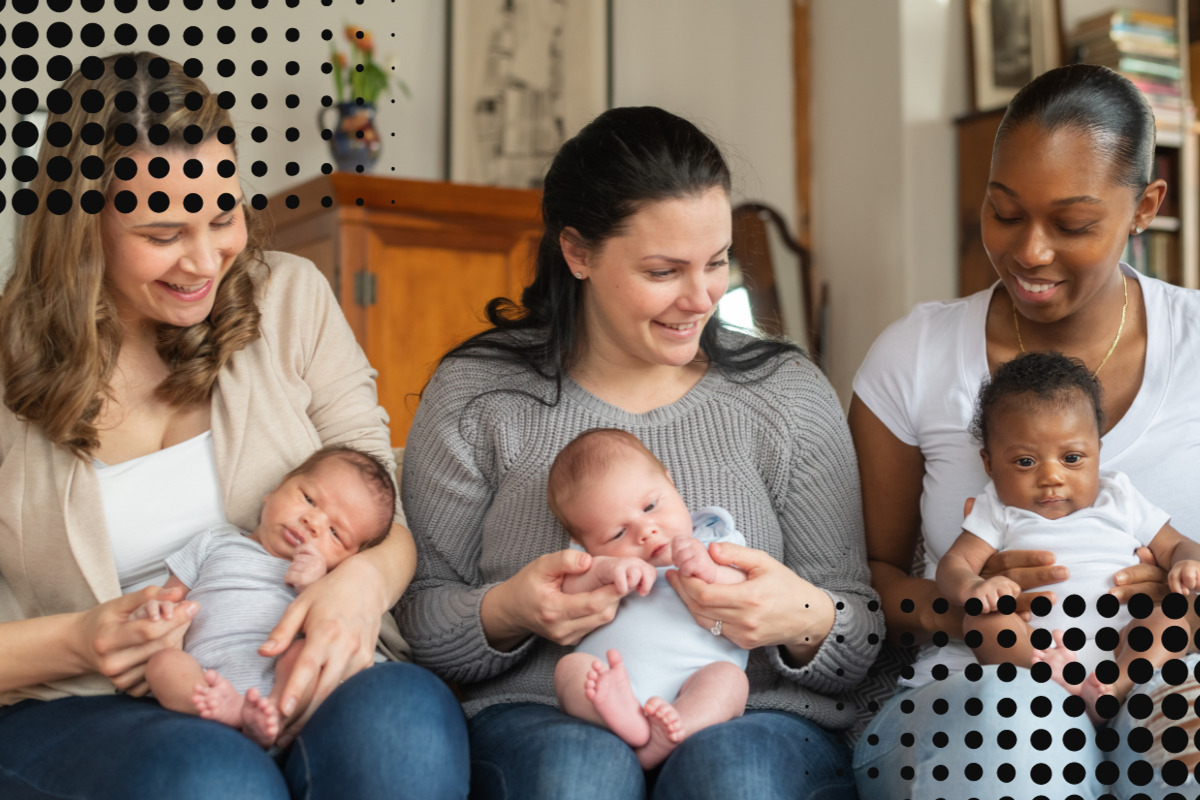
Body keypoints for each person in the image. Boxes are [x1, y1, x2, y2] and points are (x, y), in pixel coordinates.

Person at [0, 52, 468, 799]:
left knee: (403, 730)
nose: (205, 260)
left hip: (293, 657)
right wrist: (77, 639)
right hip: (83, 707)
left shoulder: (290, 300)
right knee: (214, 777)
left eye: (223, 216)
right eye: (162, 233)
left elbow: (389, 511)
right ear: (81, 224)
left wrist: (362, 587)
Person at [398, 105, 882, 799]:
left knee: (732, 778)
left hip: (758, 719)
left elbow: (862, 637)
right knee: (580, 774)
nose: (701, 298)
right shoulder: (480, 394)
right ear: (578, 253)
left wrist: (800, 617)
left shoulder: (785, 392)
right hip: (546, 716)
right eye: (663, 270)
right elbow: (418, 619)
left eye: (717, 263)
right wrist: (511, 610)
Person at [850, 63, 1200, 800]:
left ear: (1146, 206)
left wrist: (1184, 597)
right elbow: (864, 579)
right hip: (981, 699)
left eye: (1072, 225)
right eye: (1004, 212)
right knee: (1015, 714)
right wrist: (975, 610)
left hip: (1165, 681)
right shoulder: (913, 357)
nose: (1029, 252)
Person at [934, 352, 1200, 724]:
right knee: (982, 622)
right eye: (1026, 462)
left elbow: (1176, 544)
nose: (1051, 477)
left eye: (1072, 458)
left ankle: (1114, 689)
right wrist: (972, 587)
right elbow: (955, 564)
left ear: (1098, 452)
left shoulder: (1118, 497)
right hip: (1039, 650)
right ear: (990, 464)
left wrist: (1188, 562)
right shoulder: (997, 509)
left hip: (1123, 642)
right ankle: (1046, 681)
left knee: (1170, 622)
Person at [134, 445, 397, 747]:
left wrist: (313, 586)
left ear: (349, 558)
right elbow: (170, 594)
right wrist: (156, 609)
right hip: (204, 675)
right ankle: (217, 710)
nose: (314, 522)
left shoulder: (329, 580)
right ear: (275, 488)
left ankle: (275, 714)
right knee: (163, 663)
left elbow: (328, 624)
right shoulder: (215, 540)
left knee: (305, 658)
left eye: (336, 533)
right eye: (309, 499)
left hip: (280, 680)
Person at [547, 428, 750, 770]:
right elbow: (563, 600)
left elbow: (747, 588)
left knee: (730, 681)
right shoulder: (591, 563)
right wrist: (604, 572)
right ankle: (627, 721)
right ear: (585, 542)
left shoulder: (714, 539)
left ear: (671, 482)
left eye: (651, 506)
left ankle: (679, 727)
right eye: (617, 533)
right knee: (570, 669)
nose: (646, 531)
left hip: (697, 674)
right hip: (612, 680)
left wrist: (708, 569)